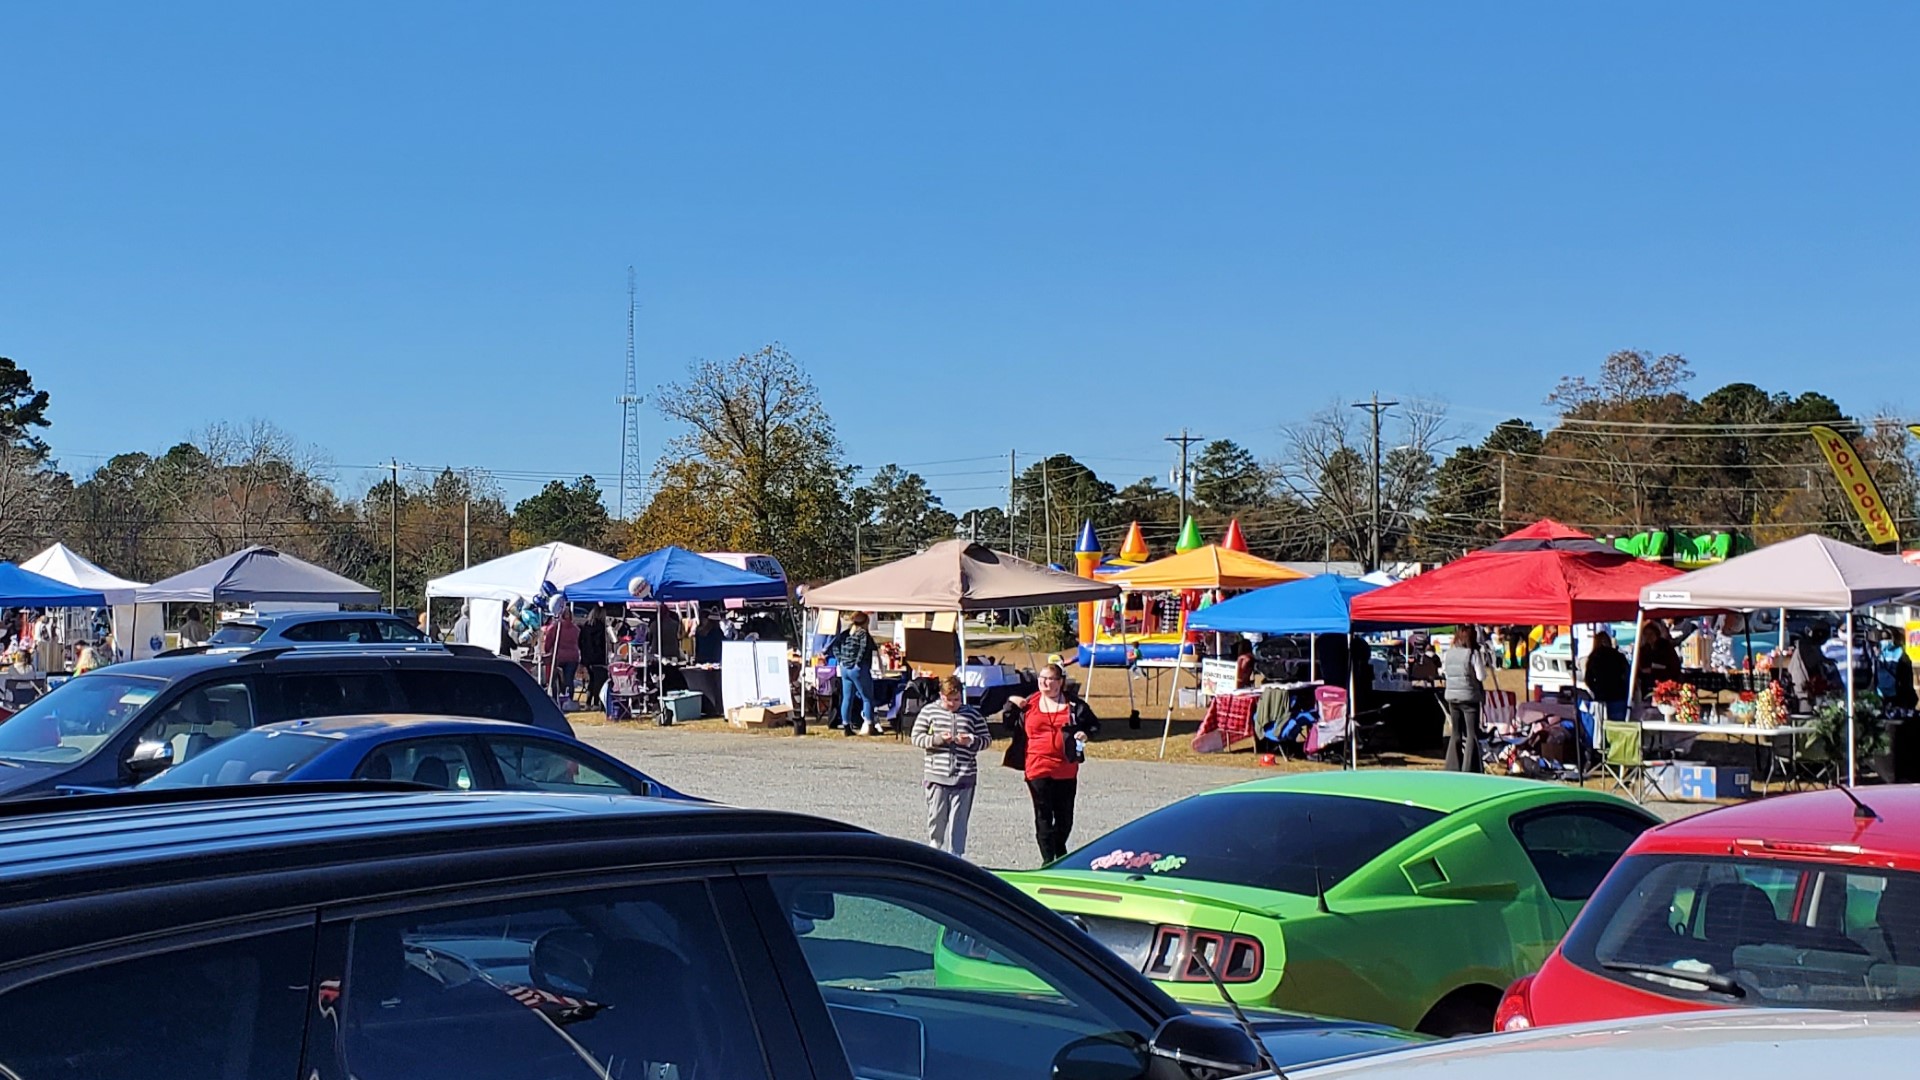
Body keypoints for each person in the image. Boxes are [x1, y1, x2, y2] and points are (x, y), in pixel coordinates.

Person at [1007, 663, 1100, 864]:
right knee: (1043, 814)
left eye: (1050, 679)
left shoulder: (1074, 705)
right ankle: (1048, 860)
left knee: (1065, 817)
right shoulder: (1029, 703)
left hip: (1066, 768)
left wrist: (1086, 734)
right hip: (1037, 766)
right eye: (1042, 678)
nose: (1044, 682)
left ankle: (1060, 850)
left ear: (1060, 682)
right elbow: (1008, 723)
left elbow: (1094, 725)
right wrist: (1012, 704)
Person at [911, 674, 993, 856]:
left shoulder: (972, 714)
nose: (953, 703)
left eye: (957, 699)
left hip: (965, 775)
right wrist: (938, 739)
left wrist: (971, 740)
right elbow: (916, 738)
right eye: (949, 700)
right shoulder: (929, 711)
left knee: (959, 819)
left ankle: (957, 854)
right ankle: (935, 847)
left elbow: (987, 740)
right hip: (936, 774)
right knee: (937, 815)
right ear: (941, 696)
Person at [1441, 626, 1490, 772]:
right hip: (1469, 698)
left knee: (1455, 733)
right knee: (1471, 734)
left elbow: (1444, 671)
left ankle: (1452, 766)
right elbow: (1481, 676)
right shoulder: (1472, 653)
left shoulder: (1448, 653)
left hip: (1452, 697)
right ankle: (1470, 768)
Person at [830, 613, 879, 736]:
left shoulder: (845, 633)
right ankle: (869, 724)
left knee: (847, 698)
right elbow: (865, 648)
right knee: (867, 698)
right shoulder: (863, 634)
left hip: (845, 668)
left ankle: (846, 725)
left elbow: (835, 646)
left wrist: (840, 659)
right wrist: (857, 662)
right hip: (858, 668)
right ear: (865, 622)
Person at [1582, 631, 1631, 721]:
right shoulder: (1618, 656)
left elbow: (1588, 679)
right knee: (1618, 725)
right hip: (1618, 694)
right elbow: (1627, 675)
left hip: (1601, 696)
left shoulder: (1593, 658)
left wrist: (1596, 689)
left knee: (1603, 726)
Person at [540, 607, 582, 708]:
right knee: (569, 680)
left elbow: (548, 642)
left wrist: (546, 650)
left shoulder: (555, 627)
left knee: (553, 679)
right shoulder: (576, 629)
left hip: (558, 657)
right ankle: (569, 700)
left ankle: (555, 699)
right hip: (573, 656)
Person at [580, 605, 610, 709]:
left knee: (591, 680)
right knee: (599, 680)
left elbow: (581, 642)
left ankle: (588, 702)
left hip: (587, 657)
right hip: (598, 656)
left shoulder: (586, 626)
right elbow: (600, 643)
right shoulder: (601, 626)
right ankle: (596, 702)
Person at [1637, 620, 1681, 686]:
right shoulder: (1643, 649)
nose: (1648, 637)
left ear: (1656, 634)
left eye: (1651, 634)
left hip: (1665, 683)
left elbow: (1674, 668)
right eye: (1645, 634)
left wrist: (1653, 670)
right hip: (1648, 684)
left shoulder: (1666, 646)